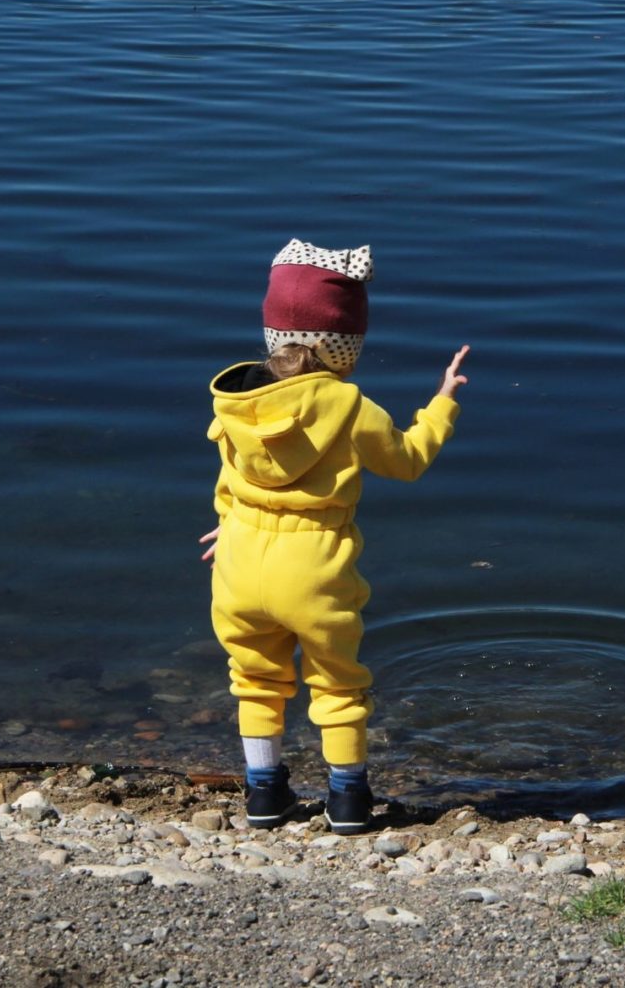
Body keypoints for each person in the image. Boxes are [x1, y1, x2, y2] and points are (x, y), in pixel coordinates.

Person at [197, 238, 468, 834]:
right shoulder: (350, 406)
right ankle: (348, 800)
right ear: (344, 346)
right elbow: (409, 459)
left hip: (239, 561)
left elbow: (230, 482)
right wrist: (442, 403)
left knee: (256, 678)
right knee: (338, 683)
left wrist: (229, 527)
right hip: (314, 566)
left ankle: (264, 795)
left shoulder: (237, 403)